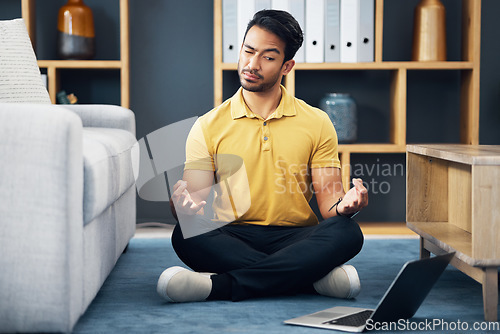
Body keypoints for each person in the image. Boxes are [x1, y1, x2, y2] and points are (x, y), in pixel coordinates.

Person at [156, 9, 368, 303]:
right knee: (185, 232)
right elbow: (194, 202)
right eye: (248, 51)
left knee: (348, 232)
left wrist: (345, 206)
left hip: (296, 237)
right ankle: (313, 280)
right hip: (231, 235)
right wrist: (182, 206)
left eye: (268, 57)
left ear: (286, 66)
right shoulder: (207, 125)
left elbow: (330, 204)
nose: (252, 64)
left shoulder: (317, 122)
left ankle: (218, 287)